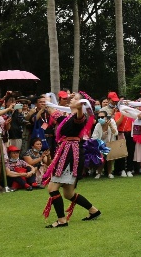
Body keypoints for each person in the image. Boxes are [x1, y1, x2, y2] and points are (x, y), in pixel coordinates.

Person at [41, 92, 102, 228]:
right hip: (67, 153)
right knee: (69, 194)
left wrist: (80, 106)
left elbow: (79, 114)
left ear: (82, 104)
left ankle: (62, 220)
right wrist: (47, 102)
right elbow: (54, 113)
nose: (70, 99)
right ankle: (93, 211)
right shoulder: (68, 117)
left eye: (74, 99)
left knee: (52, 188)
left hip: (69, 156)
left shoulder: (79, 117)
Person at [91, 109, 118, 179]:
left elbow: (116, 133)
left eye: (102, 117)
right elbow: (94, 136)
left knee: (110, 159)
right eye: (99, 117)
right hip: (101, 144)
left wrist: (110, 126)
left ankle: (109, 173)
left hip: (110, 143)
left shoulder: (112, 122)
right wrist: (100, 138)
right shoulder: (98, 125)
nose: (100, 119)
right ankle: (99, 172)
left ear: (106, 117)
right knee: (101, 158)